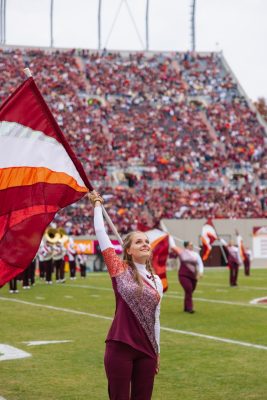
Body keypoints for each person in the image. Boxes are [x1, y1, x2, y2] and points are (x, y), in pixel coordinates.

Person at [88, 191, 163, 400]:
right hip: (121, 346)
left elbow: (155, 319)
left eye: (146, 241)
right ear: (128, 249)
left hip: (147, 350)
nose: (145, 244)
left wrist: (157, 352)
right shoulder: (119, 269)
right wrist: (96, 205)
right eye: (139, 242)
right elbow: (100, 232)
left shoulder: (156, 281)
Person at [172, 241, 204, 313]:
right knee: (189, 289)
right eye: (190, 245)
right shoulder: (182, 253)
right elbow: (173, 249)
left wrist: (201, 272)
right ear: (186, 246)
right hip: (183, 275)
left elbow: (200, 263)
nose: (192, 246)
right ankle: (190, 308)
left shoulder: (196, 254)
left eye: (192, 245)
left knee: (190, 291)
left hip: (193, 276)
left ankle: (186, 307)